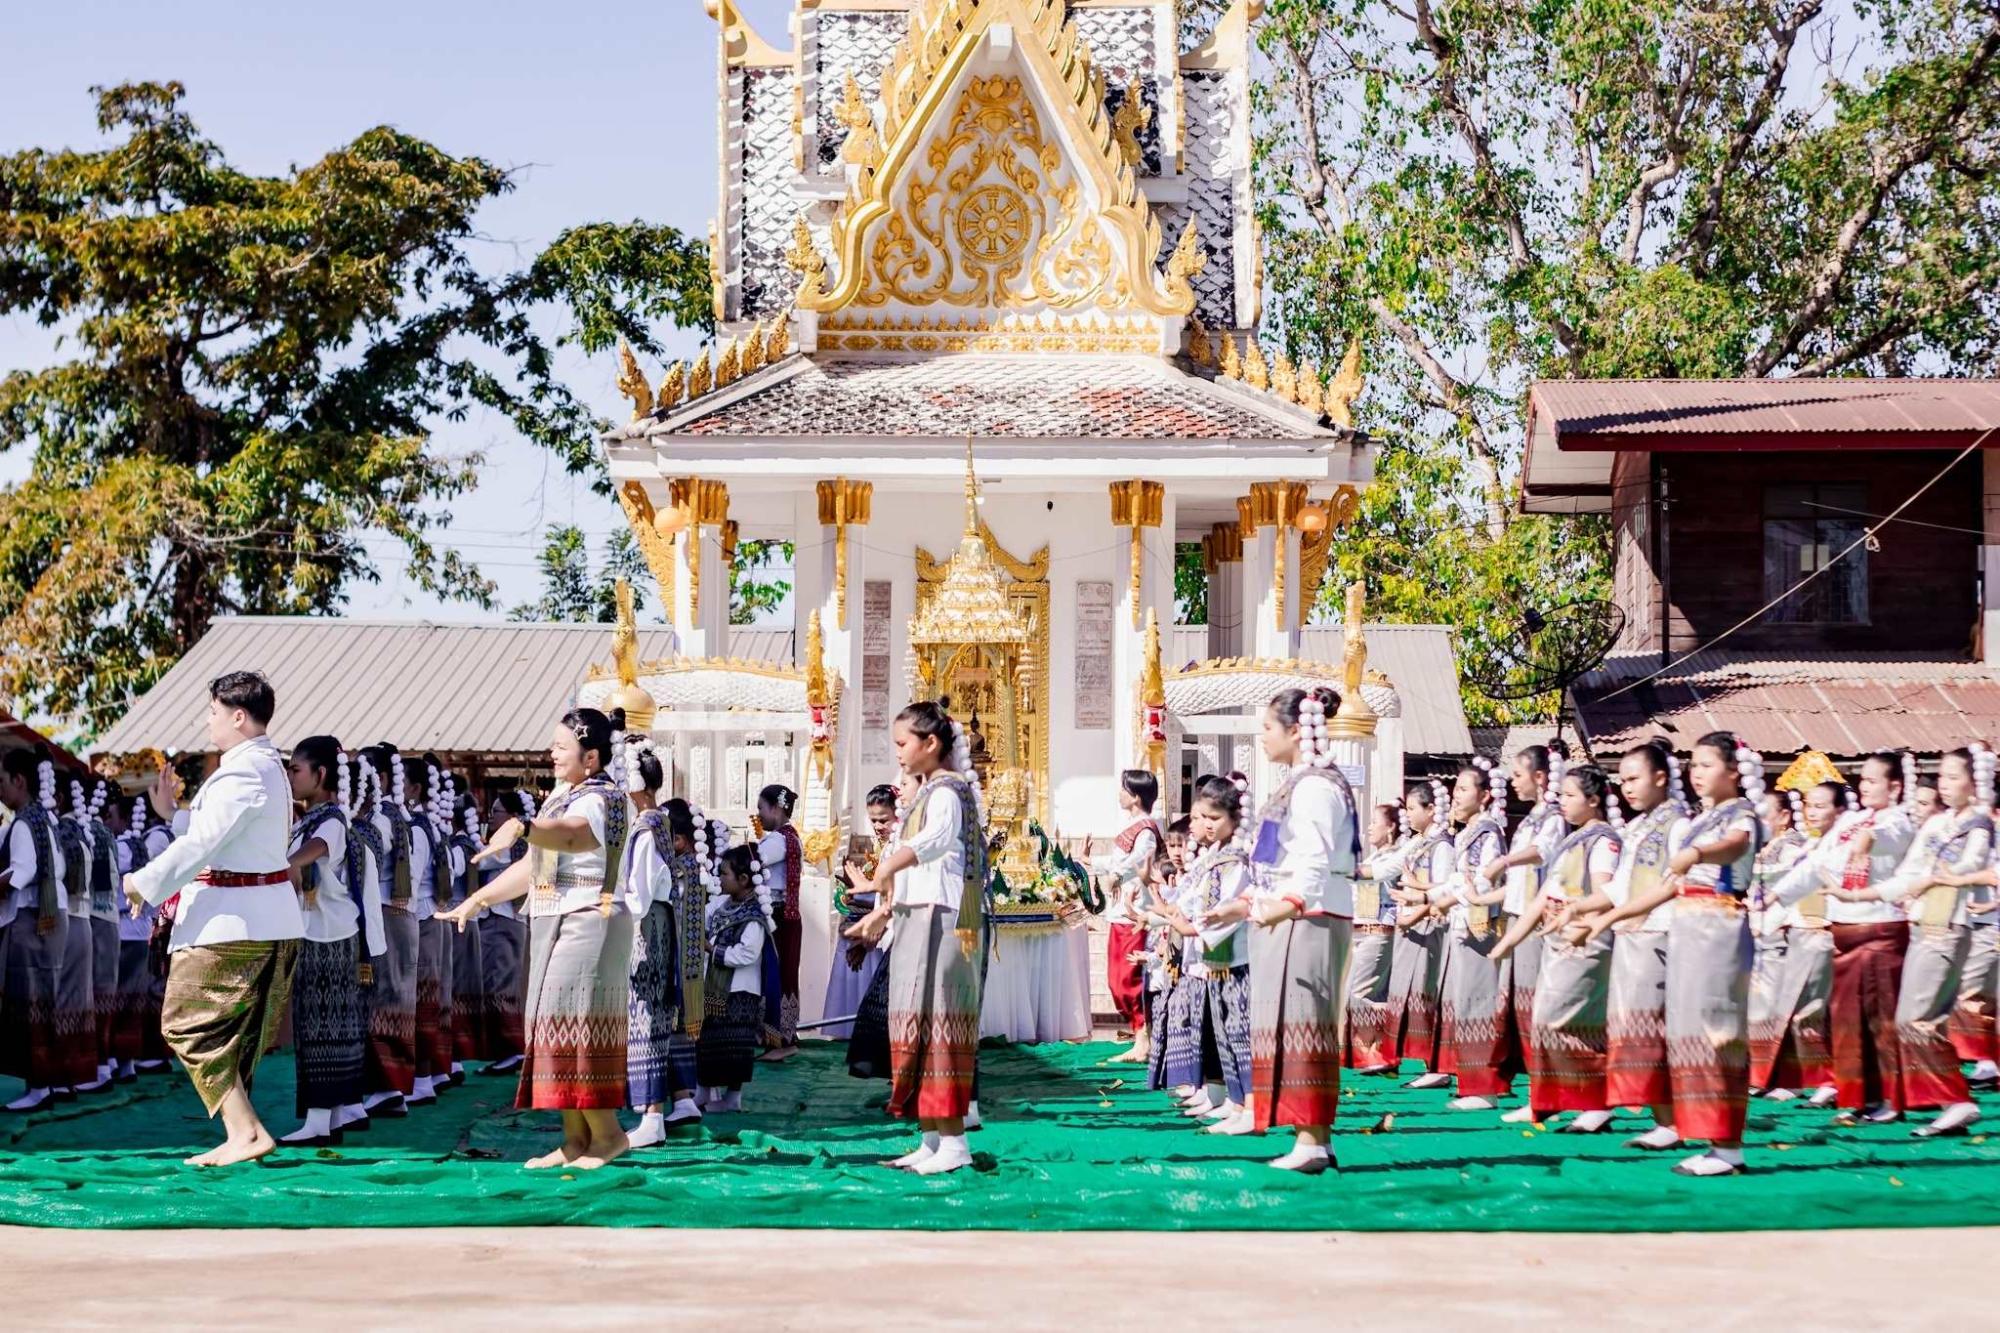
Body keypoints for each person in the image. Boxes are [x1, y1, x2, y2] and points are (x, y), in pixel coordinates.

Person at [122, 671, 306, 1167]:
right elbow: (221, 836)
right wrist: (172, 816)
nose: (208, 719)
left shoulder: (245, 771)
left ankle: (245, 1132)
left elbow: (203, 845)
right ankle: (238, 1132)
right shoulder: (263, 768)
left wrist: (142, 880)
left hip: (234, 921)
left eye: (213, 710)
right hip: (255, 918)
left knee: (186, 1024)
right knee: (232, 1034)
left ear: (238, 716)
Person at [440, 707, 635, 1170]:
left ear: (590, 758)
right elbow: (535, 866)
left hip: (591, 918)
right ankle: (574, 1139)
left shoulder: (600, 798)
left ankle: (608, 1136)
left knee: (578, 1027)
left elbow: (573, 838)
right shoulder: (565, 797)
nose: (551, 753)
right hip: (559, 917)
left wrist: (524, 828)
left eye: (560, 746)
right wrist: (480, 900)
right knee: (550, 1027)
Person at [1589, 731, 1760, 1177]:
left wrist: (1698, 852)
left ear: (1733, 771)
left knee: (1717, 1033)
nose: (1697, 773)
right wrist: (1607, 918)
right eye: (1695, 765)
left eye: (1707, 765)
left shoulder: (1738, 814)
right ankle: (1705, 1137)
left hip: (1719, 925)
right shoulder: (1702, 820)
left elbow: (1738, 844)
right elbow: (1667, 885)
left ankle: (1728, 1147)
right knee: (1688, 1036)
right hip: (1690, 927)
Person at [845, 701, 991, 1175]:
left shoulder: (947, 793)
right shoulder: (928, 793)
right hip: (918, 917)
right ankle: (931, 1138)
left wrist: (888, 864)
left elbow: (937, 841)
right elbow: (915, 865)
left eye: (904, 744)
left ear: (931, 744)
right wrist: (881, 914)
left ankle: (953, 1143)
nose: (900, 755)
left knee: (941, 1024)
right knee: (918, 1024)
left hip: (943, 920)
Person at [1230, 686, 1358, 1174]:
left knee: (1304, 1023)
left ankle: (1310, 1139)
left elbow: (1313, 863)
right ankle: (1314, 1139)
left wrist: (1283, 908)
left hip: (1310, 917)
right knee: (1297, 1022)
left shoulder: (1315, 787)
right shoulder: (1303, 783)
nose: (1261, 737)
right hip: (1299, 913)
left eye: (1266, 728)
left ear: (1293, 731)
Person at [1769, 751, 1919, 1123]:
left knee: (1881, 1019)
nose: (1865, 787)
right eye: (1862, 780)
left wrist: (1870, 837)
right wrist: (1776, 895)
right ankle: (1862, 1095)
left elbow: (1887, 838)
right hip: (1844, 931)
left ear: (1895, 786)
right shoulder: (1851, 820)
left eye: (1873, 780)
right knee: (1848, 1020)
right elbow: (1819, 865)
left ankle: (1893, 1098)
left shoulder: (1899, 821)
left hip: (1880, 930)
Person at [1858, 745, 1990, 1137]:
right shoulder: (1935, 825)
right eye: (1943, 776)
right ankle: (1952, 1100)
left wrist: (1933, 878)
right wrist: (1863, 895)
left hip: (1948, 926)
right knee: (1913, 1020)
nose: (1946, 785)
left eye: (1953, 777)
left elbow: (1970, 865)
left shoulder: (1979, 823)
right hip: (1922, 926)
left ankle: (1957, 1101)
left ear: (1974, 781)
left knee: (1915, 1019)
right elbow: (1909, 871)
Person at [1493, 763, 1620, 1131]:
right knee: (1546, 1019)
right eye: (1561, 794)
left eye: (1569, 796)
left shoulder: (1603, 841)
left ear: (1593, 800)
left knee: (1573, 1021)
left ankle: (1596, 1102)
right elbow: (1545, 895)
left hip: (1584, 936)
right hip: (1558, 937)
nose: (1561, 802)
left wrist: (1578, 918)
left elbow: (1602, 892)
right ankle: (1549, 1099)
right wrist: (1510, 940)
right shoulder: (1573, 840)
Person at [282, 735, 378, 1146]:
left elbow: (312, 853)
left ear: (321, 775)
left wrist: (281, 866)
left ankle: (320, 1121)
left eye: (296, 770)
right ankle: (334, 1116)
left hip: (327, 937)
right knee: (333, 1025)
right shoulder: (314, 819)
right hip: (330, 933)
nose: (290, 777)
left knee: (321, 1025)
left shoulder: (330, 823)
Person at [1594, 741, 1688, 1150]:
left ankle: (1673, 1122)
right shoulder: (1640, 827)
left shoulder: (1678, 825)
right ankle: (1662, 1119)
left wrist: (1612, 916)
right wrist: (1579, 910)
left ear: (1661, 778)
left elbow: (1675, 884)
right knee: (1636, 1028)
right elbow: (1617, 888)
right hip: (1634, 936)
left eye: (1634, 779)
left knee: (1656, 1030)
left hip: (1661, 934)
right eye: (1622, 780)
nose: (1626, 788)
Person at [1479, 746, 1568, 1115]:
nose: (1513, 781)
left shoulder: (1553, 819)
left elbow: (1543, 853)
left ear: (1541, 777)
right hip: (1517, 915)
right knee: (1513, 1005)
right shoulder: (1531, 819)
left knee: (1533, 1005)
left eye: (1518, 774)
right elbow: (1518, 880)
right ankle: (1517, 1087)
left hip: (1537, 921)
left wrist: (1503, 859)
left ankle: (1544, 1093)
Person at [1177, 774, 1256, 1134]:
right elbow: (1193, 899)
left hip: (1235, 956)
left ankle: (1250, 1104)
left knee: (1239, 1030)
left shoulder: (1237, 860)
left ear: (1234, 819)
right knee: (1224, 1030)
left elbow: (1227, 910)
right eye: (1204, 817)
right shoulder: (1215, 856)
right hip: (1214, 954)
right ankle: (1236, 1101)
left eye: (1215, 818)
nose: (1208, 825)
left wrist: (1191, 926)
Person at [1434, 761, 1511, 1111]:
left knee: (1479, 1000)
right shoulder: (1468, 833)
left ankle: (1485, 1088)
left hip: (1480, 924)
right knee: (1465, 1000)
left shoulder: (1486, 832)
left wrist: (1450, 897)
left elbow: (1484, 879)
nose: (1456, 795)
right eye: (1456, 789)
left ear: (1484, 796)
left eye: (1464, 789)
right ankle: (1473, 1083)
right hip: (1463, 921)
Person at [622, 743, 686, 1146]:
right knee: (655, 1012)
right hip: (661, 921)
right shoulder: (661, 822)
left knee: (645, 1011)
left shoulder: (646, 828)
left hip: (647, 924)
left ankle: (651, 1114)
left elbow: (639, 895)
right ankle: (654, 1113)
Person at [0, 748, 68, 1112]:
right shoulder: (47, 820)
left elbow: (21, 872)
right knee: (45, 998)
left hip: (32, 918)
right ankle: (48, 1082)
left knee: (30, 1002)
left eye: (1, 781)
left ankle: (38, 1087)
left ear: (19, 781)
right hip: (53, 914)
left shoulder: (24, 823)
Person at [359, 744, 420, 1117]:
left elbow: (366, 861)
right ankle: (391, 1086)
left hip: (386, 912)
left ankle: (386, 1086)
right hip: (401, 915)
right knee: (394, 999)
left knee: (383, 999)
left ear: (379, 779)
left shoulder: (381, 820)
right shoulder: (400, 816)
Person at [694, 843, 778, 1113]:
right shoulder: (721, 904)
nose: (720, 878)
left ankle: (732, 1098)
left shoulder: (755, 916)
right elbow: (702, 919)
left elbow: (747, 955)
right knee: (707, 1041)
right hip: (715, 988)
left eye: (724, 874)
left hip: (740, 992)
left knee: (734, 1046)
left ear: (743, 879)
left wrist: (711, 949)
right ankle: (704, 1091)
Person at [1087, 769, 1163, 1065]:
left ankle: (1143, 1041)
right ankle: (1140, 1036)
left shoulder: (1145, 830)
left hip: (1136, 913)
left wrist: (1117, 873)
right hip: (1121, 912)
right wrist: (1089, 861)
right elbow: (1120, 862)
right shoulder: (1132, 827)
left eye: (1123, 789)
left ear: (1134, 796)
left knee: (1128, 979)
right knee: (1118, 979)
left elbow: (1137, 862)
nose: (1119, 793)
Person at [1387, 780, 1453, 1087]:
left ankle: (1436, 1066)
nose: (1409, 815)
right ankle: (1418, 1060)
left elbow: (1442, 889)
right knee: (1409, 993)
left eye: (1414, 808)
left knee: (1427, 992)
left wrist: (1416, 911)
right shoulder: (1416, 843)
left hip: (1429, 925)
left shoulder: (1442, 846)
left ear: (1430, 809)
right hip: (1411, 923)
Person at [825, 785, 898, 1040]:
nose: (878, 826)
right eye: (874, 820)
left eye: (884, 820)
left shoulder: (901, 848)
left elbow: (893, 898)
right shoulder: (886, 848)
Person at [107, 791, 171, 1079]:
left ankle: (124, 1060)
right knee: (134, 998)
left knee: (123, 999)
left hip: (131, 927)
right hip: (141, 927)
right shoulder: (144, 842)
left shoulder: (139, 843)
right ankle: (128, 1061)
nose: (107, 822)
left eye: (111, 816)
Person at [477, 788, 534, 1073]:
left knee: (500, 984)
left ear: (512, 817)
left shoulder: (510, 844)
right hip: (505, 920)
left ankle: (511, 1049)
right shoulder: (519, 844)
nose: (491, 817)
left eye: (496, 812)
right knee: (502, 983)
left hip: (503, 920)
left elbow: (479, 859)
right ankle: (507, 1049)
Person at [1346, 803, 1405, 1076]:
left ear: (1391, 827)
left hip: (1379, 930)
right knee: (1368, 993)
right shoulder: (1375, 856)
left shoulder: (1396, 856)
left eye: (1375, 821)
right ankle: (1379, 1052)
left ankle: (1378, 1049)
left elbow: (1374, 876)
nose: (1369, 827)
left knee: (1359, 993)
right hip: (1362, 930)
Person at [53, 777, 101, 1094]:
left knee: (63, 1003)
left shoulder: (65, 829)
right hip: (85, 919)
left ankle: (62, 1076)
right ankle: (77, 1073)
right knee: (78, 1002)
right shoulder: (84, 831)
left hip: (70, 919)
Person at [754, 784, 805, 1060]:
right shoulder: (791, 837)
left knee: (775, 974)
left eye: (761, 808)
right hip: (788, 915)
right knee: (784, 973)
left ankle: (780, 1040)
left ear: (776, 808)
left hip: (777, 915)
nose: (758, 814)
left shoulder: (776, 841)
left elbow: (750, 863)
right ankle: (784, 1034)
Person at [445, 776, 486, 1081]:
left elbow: (449, 874)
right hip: (468, 922)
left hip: (457, 921)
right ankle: (454, 1058)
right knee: (457, 989)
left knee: (453, 990)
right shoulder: (468, 843)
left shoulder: (459, 846)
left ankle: (453, 1058)